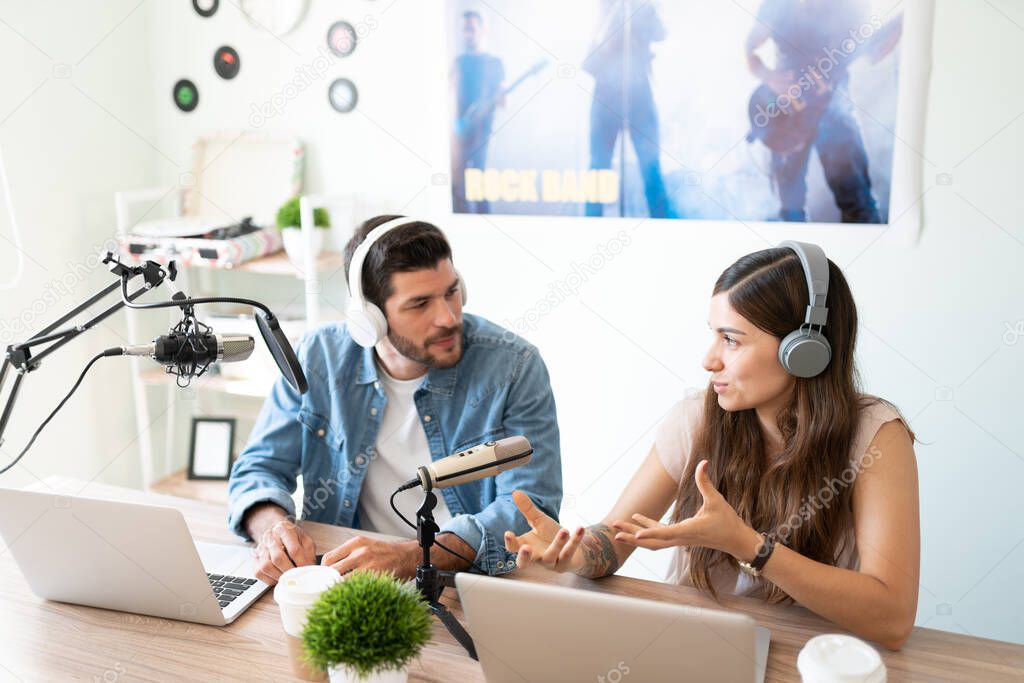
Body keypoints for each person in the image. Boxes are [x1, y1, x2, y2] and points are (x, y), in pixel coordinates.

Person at [505, 242, 920, 650]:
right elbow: (617, 537)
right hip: (696, 652)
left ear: (804, 352)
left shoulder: (875, 435)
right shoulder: (695, 421)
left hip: (813, 660)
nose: (709, 360)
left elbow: (893, 618)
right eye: (714, 336)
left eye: (732, 340)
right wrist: (575, 555)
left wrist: (748, 545)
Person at [229, 215, 562, 585]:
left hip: (471, 582)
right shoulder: (318, 357)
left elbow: (532, 508)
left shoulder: (513, 366)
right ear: (370, 318)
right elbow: (258, 469)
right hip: (345, 578)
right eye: (420, 304)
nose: (449, 318)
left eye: (452, 292)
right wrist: (272, 529)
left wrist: (413, 556)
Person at [745, 0, 898, 222]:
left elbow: (874, 51)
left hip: (834, 112)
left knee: (859, 205)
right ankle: (790, 256)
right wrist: (769, 76)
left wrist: (906, 21)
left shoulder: (849, 7)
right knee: (789, 209)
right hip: (783, 117)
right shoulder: (777, 4)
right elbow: (750, 47)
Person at [584, 0, 671, 218]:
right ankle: (589, 225)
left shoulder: (643, 8)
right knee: (599, 169)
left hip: (639, 94)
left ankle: (664, 228)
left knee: (650, 167)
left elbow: (661, 33)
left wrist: (643, 7)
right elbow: (589, 60)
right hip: (606, 95)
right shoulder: (605, 9)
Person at [451, 10, 505, 214]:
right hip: (459, 136)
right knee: (459, 191)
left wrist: (499, 97)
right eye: (464, 29)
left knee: (480, 187)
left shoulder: (494, 64)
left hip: (483, 135)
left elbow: (503, 100)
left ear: (483, 30)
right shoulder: (458, 63)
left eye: (471, 28)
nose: (468, 33)